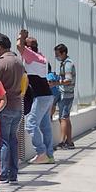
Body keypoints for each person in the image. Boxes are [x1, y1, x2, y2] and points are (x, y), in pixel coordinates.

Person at [0, 33, 25, 185]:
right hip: (18, 106)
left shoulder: (0, 64)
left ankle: (3, 174)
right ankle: (13, 174)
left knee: (3, 140)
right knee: (12, 140)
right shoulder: (18, 61)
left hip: (4, 106)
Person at [17, 29, 55, 164]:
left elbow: (19, 47)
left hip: (40, 96)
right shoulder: (41, 56)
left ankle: (41, 152)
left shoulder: (32, 56)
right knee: (45, 126)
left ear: (29, 48)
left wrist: (21, 37)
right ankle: (49, 155)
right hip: (47, 95)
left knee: (31, 124)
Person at [53, 44, 77, 149]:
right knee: (65, 118)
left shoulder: (67, 64)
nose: (56, 57)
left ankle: (62, 142)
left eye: (57, 54)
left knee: (63, 118)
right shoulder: (65, 63)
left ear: (63, 53)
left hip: (66, 95)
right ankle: (69, 141)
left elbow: (68, 80)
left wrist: (56, 83)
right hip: (66, 94)